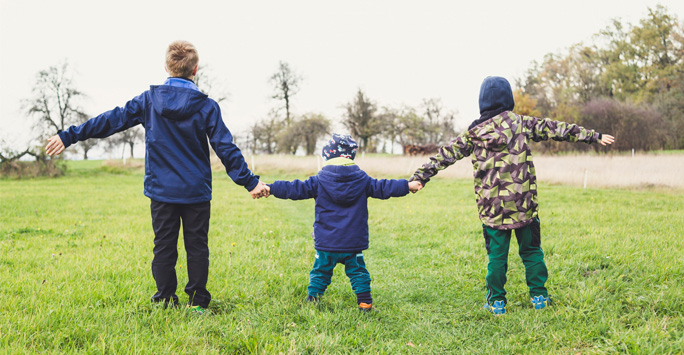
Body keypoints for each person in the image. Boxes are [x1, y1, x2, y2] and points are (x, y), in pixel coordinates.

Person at [45, 40, 269, 314]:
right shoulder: (207, 106)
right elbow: (225, 147)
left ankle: (164, 300)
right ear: (195, 69)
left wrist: (69, 135)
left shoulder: (149, 101)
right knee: (197, 246)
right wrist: (251, 182)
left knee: (163, 247)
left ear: (166, 66)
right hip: (196, 191)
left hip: (162, 191)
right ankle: (198, 303)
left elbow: (111, 120)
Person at [409, 76, 615, 315]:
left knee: (496, 257)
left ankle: (496, 302)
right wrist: (593, 136)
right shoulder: (520, 123)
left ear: (482, 102)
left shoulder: (474, 134)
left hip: (493, 210)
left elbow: (444, 155)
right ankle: (539, 297)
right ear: (509, 99)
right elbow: (556, 128)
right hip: (524, 205)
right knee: (531, 251)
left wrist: (420, 177)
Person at [265, 134, 422, 311]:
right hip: (352, 242)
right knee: (358, 272)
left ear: (328, 156)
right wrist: (407, 186)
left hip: (326, 242)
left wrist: (271, 188)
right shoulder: (363, 180)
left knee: (320, 271)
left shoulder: (318, 180)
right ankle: (364, 302)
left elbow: (294, 188)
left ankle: (313, 299)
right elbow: (384, 187)